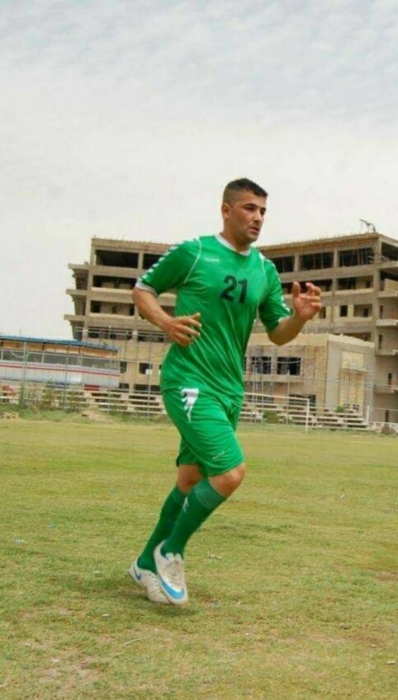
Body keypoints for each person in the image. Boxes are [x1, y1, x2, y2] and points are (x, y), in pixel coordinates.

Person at [128, 178, 322, 605]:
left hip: (229, 389)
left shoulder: (265, 271)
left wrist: (301, 317)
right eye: (250, 208)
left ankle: (144, 562)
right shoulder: (193, 252)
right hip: (189, 381)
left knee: (190, 478)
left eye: (263, 211)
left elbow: (278, 335)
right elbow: (143, 290)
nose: (257, 218)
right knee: (230, 472)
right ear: (226, 210)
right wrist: (165, 322)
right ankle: (170, 551)